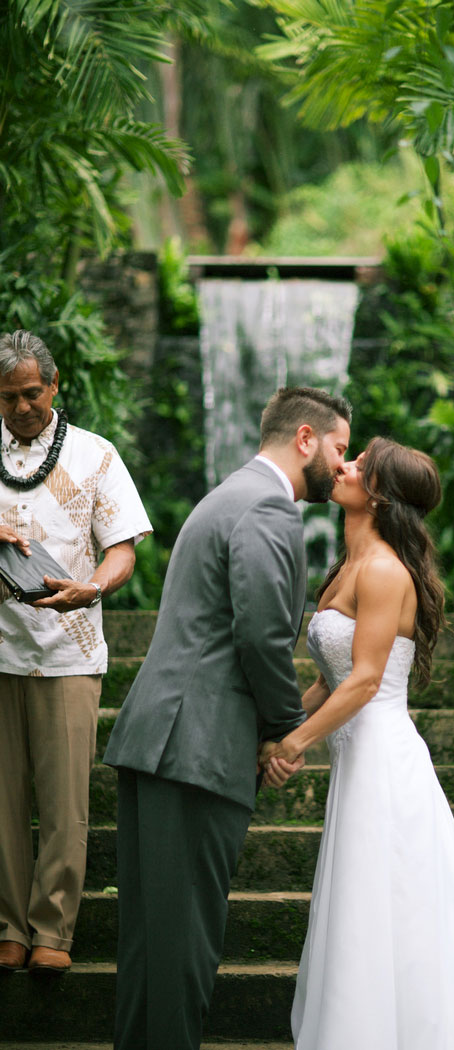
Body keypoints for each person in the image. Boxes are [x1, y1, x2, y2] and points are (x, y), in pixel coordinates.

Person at [260, 436, 454, 1050]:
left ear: (380, 495)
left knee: (389, 907)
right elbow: (325, 680)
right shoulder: (348, 566)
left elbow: (364, 681)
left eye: (360, 464)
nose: (345, 465)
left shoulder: (386, 569)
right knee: (366, 910)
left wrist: (293, 746)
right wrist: (278, 728)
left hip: (384, 761)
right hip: (357, 759)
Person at [103, 385, 351, 1050]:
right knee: (182, 949)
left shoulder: (229, 495)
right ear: (305, 438)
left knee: (152, 951)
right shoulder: (268, 508)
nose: (341, 463)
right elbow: (263, 635)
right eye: (339, 447)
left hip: (163, 740)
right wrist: (280, 731)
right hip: (195, 749)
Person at [0, 329, 152, 976]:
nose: (21, 407)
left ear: (54, 386)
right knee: (2, 801)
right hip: (0, 652)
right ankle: (7, 927)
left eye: (31, 393)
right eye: (7, 398)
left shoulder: (95, 455)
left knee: (66, 801)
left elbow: (124, 547)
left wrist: (91, 586)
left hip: (70, 651)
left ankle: (52, 930)